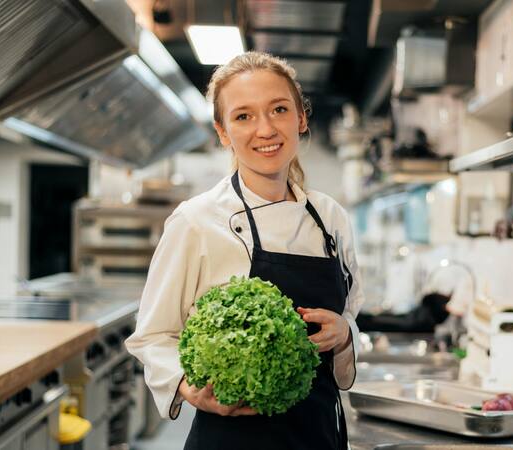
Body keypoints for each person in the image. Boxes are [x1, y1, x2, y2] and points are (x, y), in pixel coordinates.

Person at [126, 51, 365, 450]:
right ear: (223, 133)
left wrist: (343, 336)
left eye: (279, 109)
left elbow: (351, 314)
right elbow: (152, 336)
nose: (266, 129)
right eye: (244, 116)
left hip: (319, 434)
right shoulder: (197, 221)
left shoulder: (330, 217)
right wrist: (186, 385)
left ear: (300, 118)